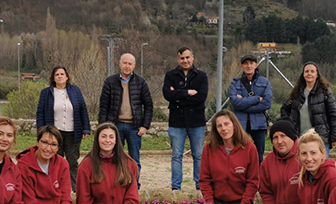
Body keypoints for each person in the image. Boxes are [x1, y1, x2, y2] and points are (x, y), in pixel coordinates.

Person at [76, 122, 140, 204]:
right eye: (103, 136)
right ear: (97, 139)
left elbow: (132, 195)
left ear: (116, 140)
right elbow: (83, 198)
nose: (107, 140)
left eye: (111, 137)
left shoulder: (128, 163)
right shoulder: (86, 165)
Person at [16, 125, 74, 204]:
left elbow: (66, 198)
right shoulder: (24, 166)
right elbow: (29, 202)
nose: (48, 148)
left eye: (53, 145)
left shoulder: (62, 164)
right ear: (37, 142)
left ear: (58, 148)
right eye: (45, 142)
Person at [98, 53, 153, 185]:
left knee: (134, 160)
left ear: (134, 65)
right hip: (115, 126)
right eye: (125, 63)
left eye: (130, 64)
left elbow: (149, 105)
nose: (127, 66)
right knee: (114, 158)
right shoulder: (110, 81)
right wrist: (104, 127)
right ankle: (116, 185)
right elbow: (103, 106)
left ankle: (135, 186)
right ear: (120, 63)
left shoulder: (141, 82)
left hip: (135, 127)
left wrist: (145, 126)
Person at [200, 110, 260, 204]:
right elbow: (204, 179)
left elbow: (253, 182)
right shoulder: (209, 148)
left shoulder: (249, 148)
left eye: (227, 124)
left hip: (240, 202)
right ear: (216, 129)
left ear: (234, 125)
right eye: (219, 126)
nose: (224, 129)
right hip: (218, 203)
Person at [36, 66, 91, 192]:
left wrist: (86, 128)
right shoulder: (46, 93)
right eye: (57, 74)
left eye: (62, 74)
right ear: (53, 78)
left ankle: (75, 189)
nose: (60, 76)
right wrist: (41, 131)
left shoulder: (75, 91)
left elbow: (83, 109)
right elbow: (40, 113)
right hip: (54, 133)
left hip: (73, 132)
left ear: (67, 77)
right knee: (54, 160)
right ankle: (55, 187)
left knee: (72, 161)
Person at [163, 46, 209, 191]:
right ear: (178, 59)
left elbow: (201, 97)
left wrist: (177, 97)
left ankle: (200, 186)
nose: (185, 60)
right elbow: (167, 95)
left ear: (192, 58)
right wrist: (187, 92)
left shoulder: (202, 76)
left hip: (197, 122)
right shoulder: (170, 75)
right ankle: (176, 187)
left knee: (198, 155)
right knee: (176, 156)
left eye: (187, 57)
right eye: (182, 58)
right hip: (176, 122)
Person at [258, 119, 303, 204]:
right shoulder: (267, 163)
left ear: (292, 137)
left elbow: (313, 190)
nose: (279, 141)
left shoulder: (304, 157)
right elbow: (266, 192)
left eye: (283, 136)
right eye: (275, 137)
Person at [281, 62, 336, 155]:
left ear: (317, 75)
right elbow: (284, 109)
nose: (309, 74)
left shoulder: (325, 92)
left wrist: (334, 137)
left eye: (312, 71)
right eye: (307, 71)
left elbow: (334, 115)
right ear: (303, 74)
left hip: (320, 139)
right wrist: (290, 126)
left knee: (320, 163)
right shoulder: (297, 92)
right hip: (299, 139)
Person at [229, 54, 273, 163]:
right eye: (246, 63)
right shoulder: (235, 83)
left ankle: (258, 175)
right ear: (242, 66)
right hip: (240, 126)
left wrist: (244, 105)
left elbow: (267, 103)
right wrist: (257, 99)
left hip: (259, 126)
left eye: (251, 63)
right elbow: (235, 103)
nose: (249, 66)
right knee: (239, 156)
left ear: (255, 65)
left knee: (258, 157)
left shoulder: (265, 82)